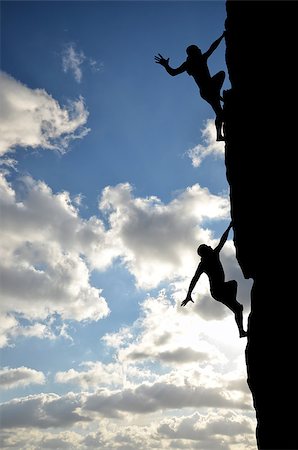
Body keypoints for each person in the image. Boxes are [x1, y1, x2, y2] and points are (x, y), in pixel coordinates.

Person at [155, 32, 226, 141]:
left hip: (208, 89)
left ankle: (219, 135)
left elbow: (173, 72)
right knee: (219, 110)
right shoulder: (196, 61)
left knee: (219, 109)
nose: (199, 50)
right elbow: (213, 47)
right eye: (197, 49)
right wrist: (166, 65)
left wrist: (166, 65)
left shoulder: (192, 62)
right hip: (208, 89)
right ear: (194, 52)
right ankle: (219, 135)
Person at [181, 222, 248, 338]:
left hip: (218, 291)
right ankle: (241, 329)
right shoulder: (211, 257)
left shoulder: (205, 261)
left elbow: (194, 279)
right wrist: (228, 227)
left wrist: (188, 295)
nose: (210, 247)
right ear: (206, 252)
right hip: (218, 291)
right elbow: (222, 240)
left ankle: (241, 331)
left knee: (237, 306)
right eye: (208, 247)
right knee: (235, 292)